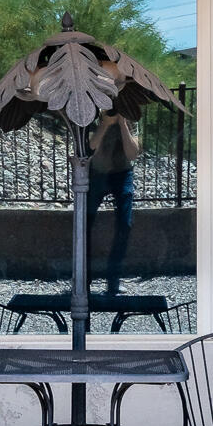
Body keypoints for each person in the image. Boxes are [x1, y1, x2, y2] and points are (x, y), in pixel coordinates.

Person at [85, 108, 140, 295]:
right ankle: (84, 278)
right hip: (98, 174)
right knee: (84, 223)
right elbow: (90, 148)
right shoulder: (91, 114)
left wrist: (123, 122)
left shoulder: (131, 116)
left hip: (123, 173)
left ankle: (113, 280)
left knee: (125, 223)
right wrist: (105, 124)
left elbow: (133, 154)